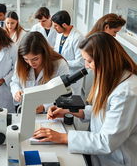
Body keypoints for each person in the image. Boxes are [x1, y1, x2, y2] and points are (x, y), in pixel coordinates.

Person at [33, 32, 137, 166]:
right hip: (99, 156)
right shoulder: (111, 78)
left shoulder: (127, 92)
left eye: (89, 61)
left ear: (105, 60)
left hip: (117, 160)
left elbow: (106, 141)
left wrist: (62, 137)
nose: (86, 66)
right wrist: (71, 111)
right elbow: (103, 112)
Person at [10, 32, 69, 113]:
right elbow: (14, 82)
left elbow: (65, 94)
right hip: (27, 110)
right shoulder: (21, 63)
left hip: (51, 114)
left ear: (44, 53)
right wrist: (16, 91)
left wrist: (45, 107)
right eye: (26, 59)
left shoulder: (59, 64)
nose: (30, 63)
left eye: (35, 59)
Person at [52, 10, 84, 95]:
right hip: (60, 74)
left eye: (56, 26)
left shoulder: (78, 38)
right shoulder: (60, 34)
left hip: (73, 75)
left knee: (72, 102)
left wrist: (62, 62)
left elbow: (81, 62)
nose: (54, 28)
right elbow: (57, 50)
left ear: (64, 25)